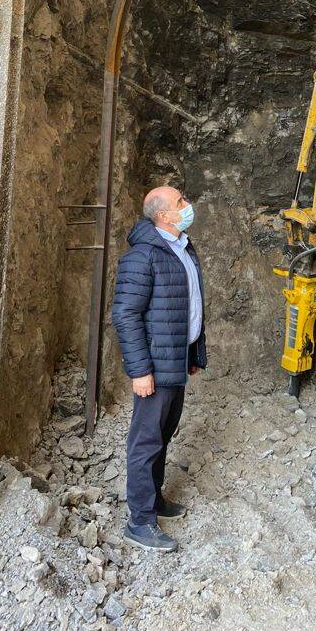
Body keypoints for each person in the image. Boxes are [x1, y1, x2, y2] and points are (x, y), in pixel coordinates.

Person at [111, 184, 207, 552]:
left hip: (175, 359)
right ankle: (140, 521)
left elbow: (188, 304)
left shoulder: (181, 248)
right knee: (146, 440)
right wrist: (139, 371)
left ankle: (153, 500)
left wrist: (193, 353)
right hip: (153, 364)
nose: (188, 204)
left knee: (163, 434)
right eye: (181, 201)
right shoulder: (142, 257)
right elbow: (125, 314)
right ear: (163, 216)